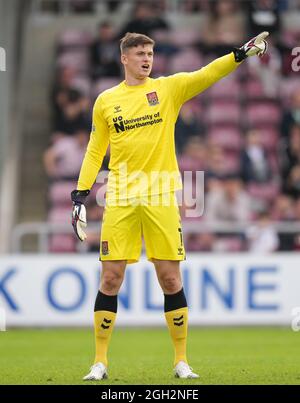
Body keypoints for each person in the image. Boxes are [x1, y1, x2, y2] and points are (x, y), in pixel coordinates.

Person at [71, 31, 269, 381]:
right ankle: (100, 362)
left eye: (150, 52)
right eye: (140, 54)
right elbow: (94, 149)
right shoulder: (106, 101)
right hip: (120, 197)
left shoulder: (167, 89)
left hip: (162, 195)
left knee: (170, 277)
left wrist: (239, 54)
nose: (147, 59)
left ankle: (181, 361)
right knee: (111, 277)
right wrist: (79, 194)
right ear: (124, 58)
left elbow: (205, 74)